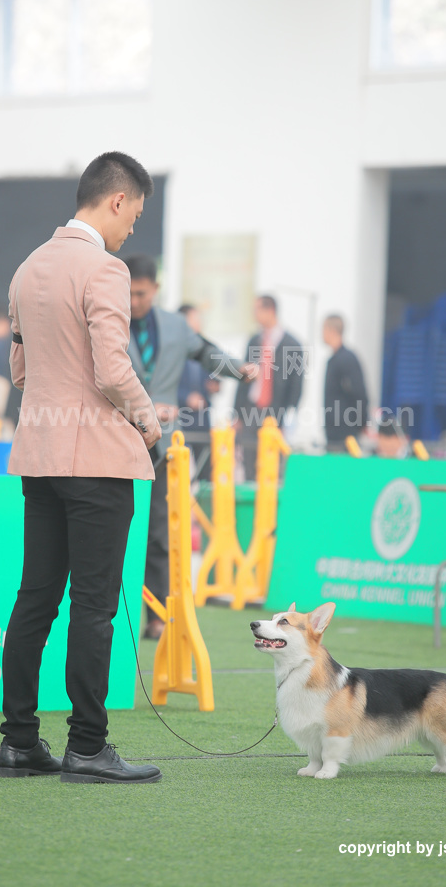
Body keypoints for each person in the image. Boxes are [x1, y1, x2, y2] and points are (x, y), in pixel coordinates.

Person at [0, 151, 163, 785]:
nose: (130, 229)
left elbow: (20, 372)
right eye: (134, 216)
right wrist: (147, 420)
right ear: (117, 200)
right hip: (96, 459)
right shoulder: (105, 269)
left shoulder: (27, 268)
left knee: (35, 599)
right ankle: (88, 747)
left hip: (39, 455)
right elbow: (113, 370)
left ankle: (18, 743)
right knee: (93, 607)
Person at [124, 255, 256, 640]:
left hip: (163, 444)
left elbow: (205, 352)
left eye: (141, 294)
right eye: (128, 293)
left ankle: (156, 616)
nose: (134, 301)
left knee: (159, 532)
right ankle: (116, 616)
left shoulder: (176, 326)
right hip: (117, 439)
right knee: (116, 530)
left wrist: (237, 369)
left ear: (155, 289)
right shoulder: (106, 320)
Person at [234, 295, 304, 480]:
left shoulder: (292, 345)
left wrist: (288, 417)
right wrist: (238, 414)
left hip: (276, 411)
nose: (254, 315)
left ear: (270, 310)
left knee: (272, 463)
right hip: (252, 409)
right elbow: (243, 378)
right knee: (248, 458)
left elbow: (296, 385)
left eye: (257, 310)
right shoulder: (254, 341)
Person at [177, 304, 219, 481]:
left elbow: (214, 376)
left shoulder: (206, 348)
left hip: (202, 420)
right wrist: (186, 397)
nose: (199, 323)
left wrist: (215, 385)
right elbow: (162, 386)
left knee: (205, 475)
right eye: (196, 319)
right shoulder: (172, 350)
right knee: (178, 474)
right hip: (180, 420)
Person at [322, 314, 369, 453]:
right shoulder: (334, 360)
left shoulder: (347, 359)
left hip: (345, 432)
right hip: (333, 431)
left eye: (324, 329)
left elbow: (359, 393)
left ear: (331, 330)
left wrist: (362, 422)